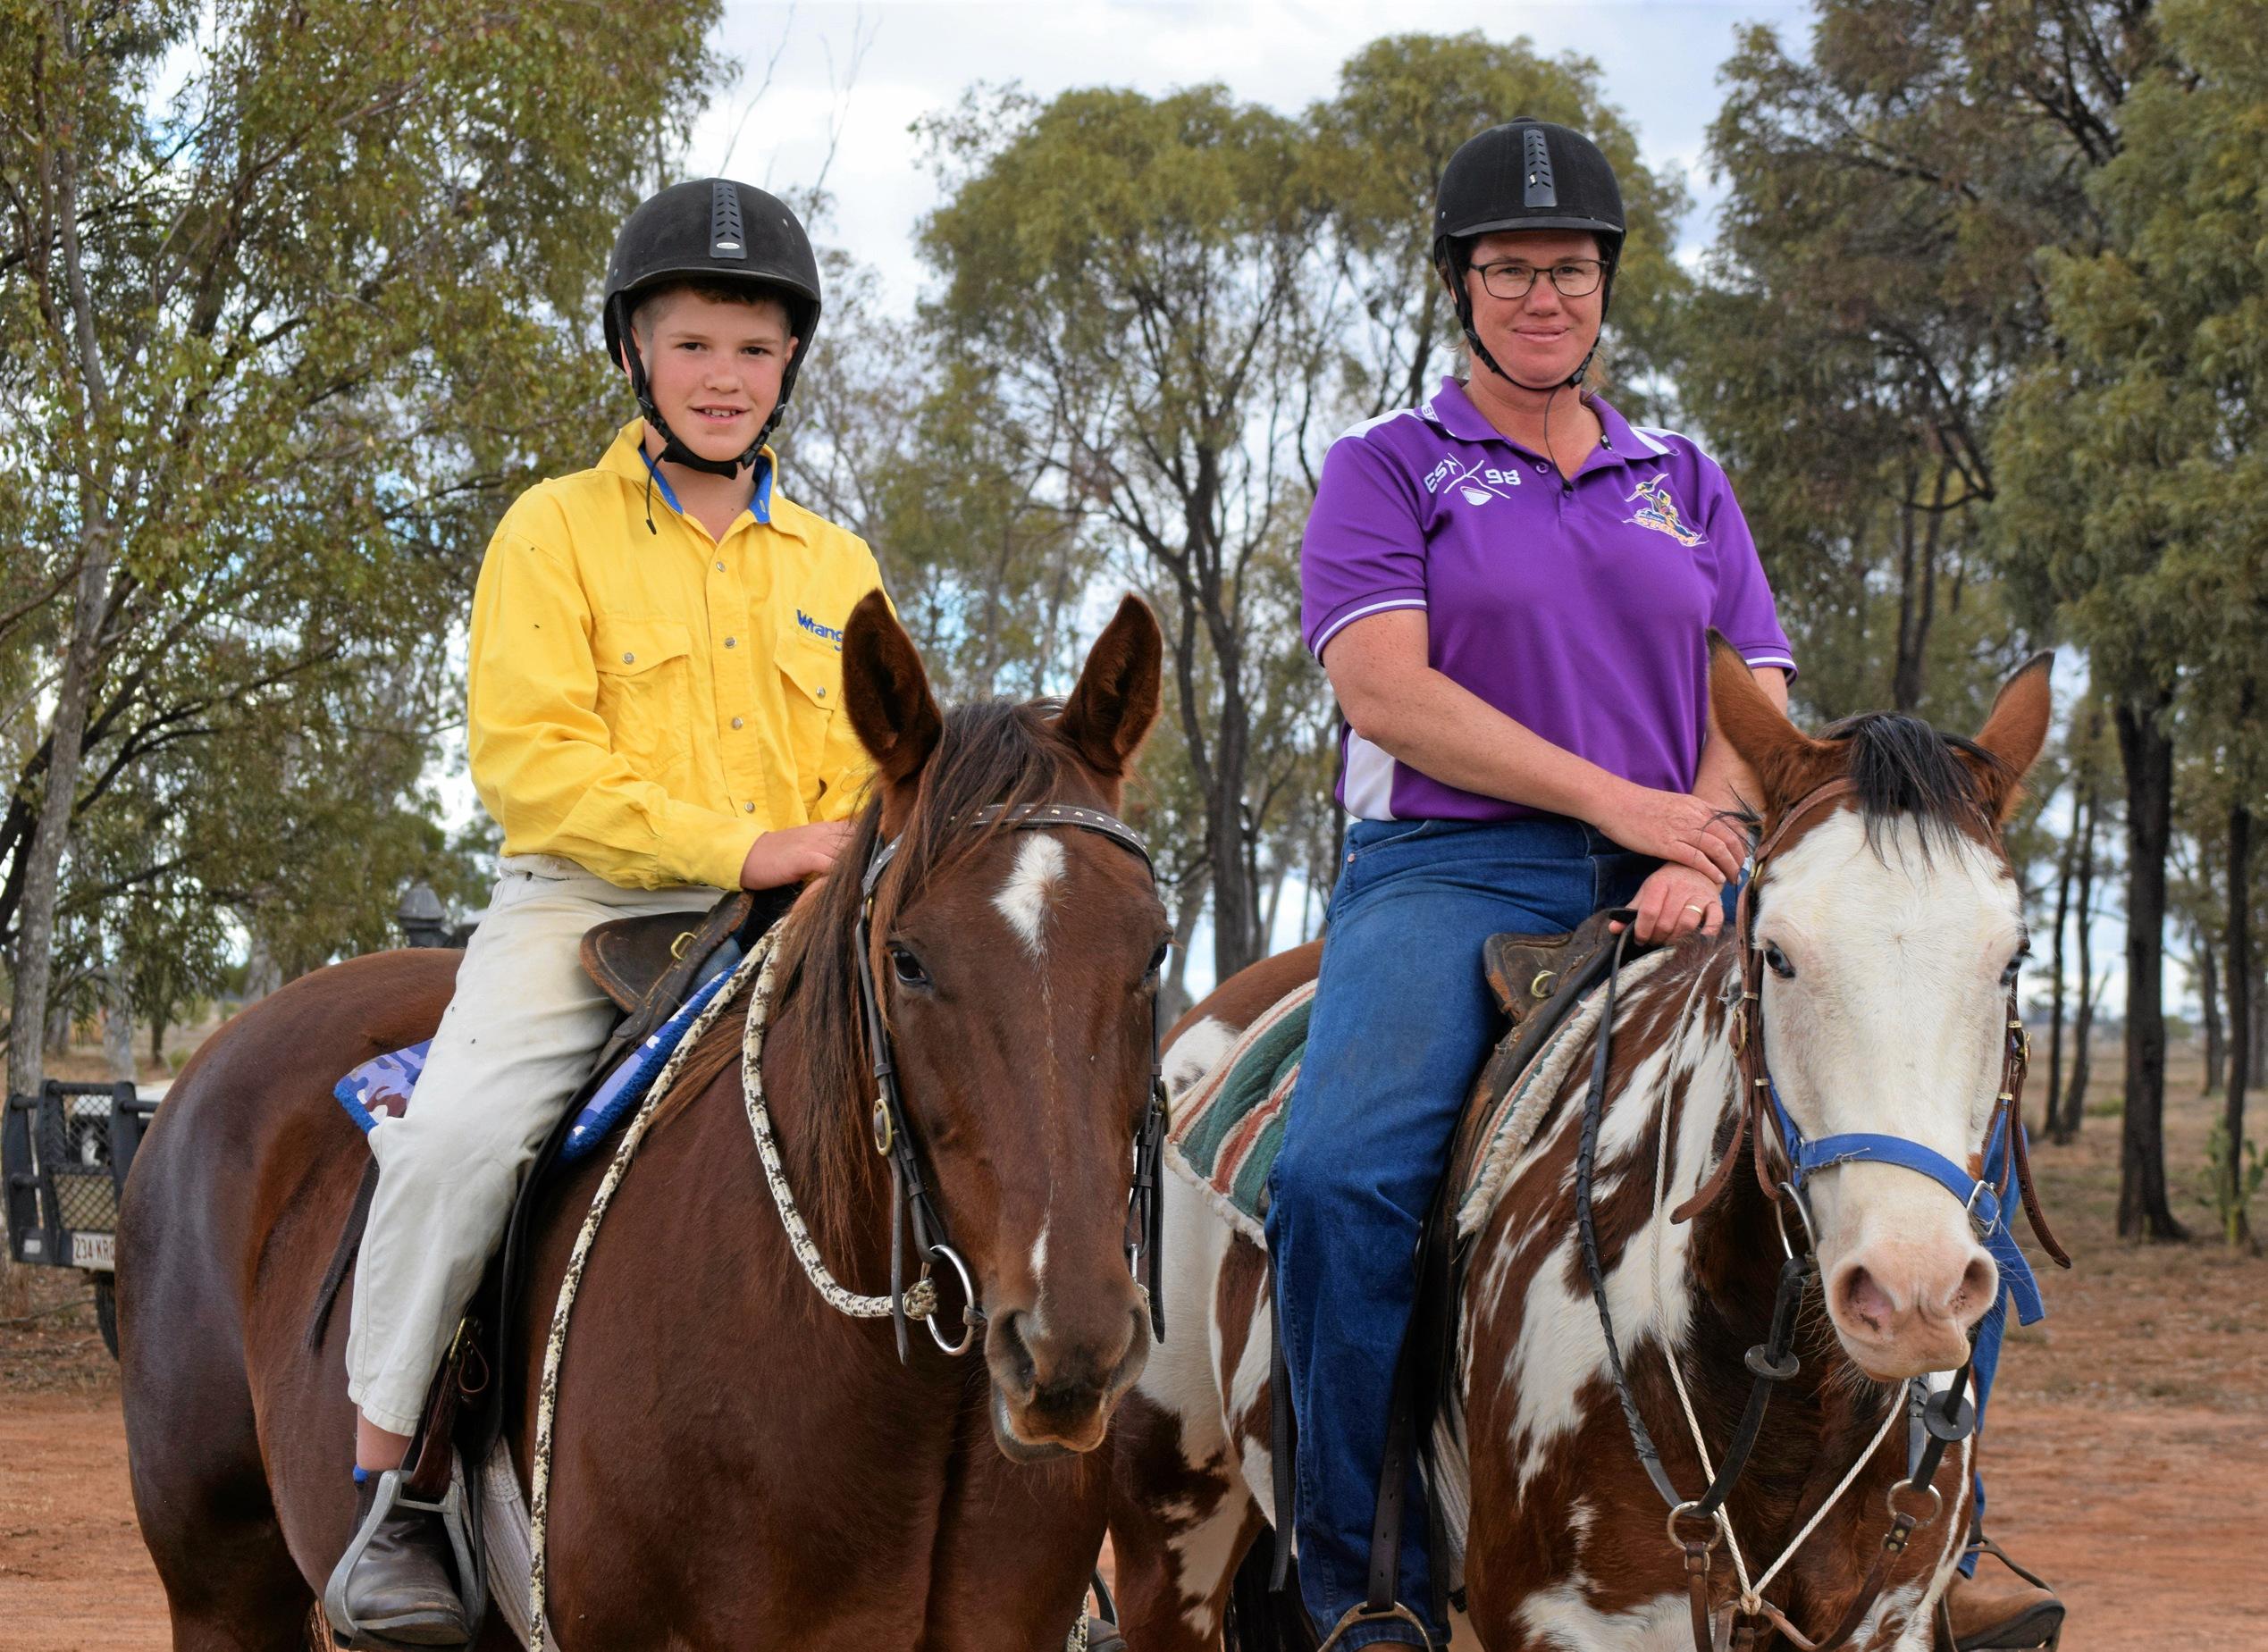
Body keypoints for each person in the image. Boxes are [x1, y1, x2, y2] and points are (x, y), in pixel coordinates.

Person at [1269, 116, 2055, 1652]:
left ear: (1606, 287)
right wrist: (1618, 802)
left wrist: (1697, 839)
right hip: (1449, 863)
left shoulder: (1680, 477)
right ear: (1462, 285)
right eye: (1508, 269)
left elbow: (1752, 696)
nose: (1541, 295)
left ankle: (1923, 1534)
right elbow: (1384, 692)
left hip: (1685, 856)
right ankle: (1357, 1576)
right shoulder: (1389, 467)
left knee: (1949, 1172)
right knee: (1336, 1179)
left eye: (1569, 269)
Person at [324, 179, 883, 1648]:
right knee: (454, 1142)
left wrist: (816, 856)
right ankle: (399, 1494)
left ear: (788, 367)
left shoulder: (837, 565)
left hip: (804, 907)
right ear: (635, 352)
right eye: (692, 343)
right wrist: (741, 843)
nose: (721, 377)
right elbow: (533, 764)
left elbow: (877, 750)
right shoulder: (550, 531)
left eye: (752, 351)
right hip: (588, 908)